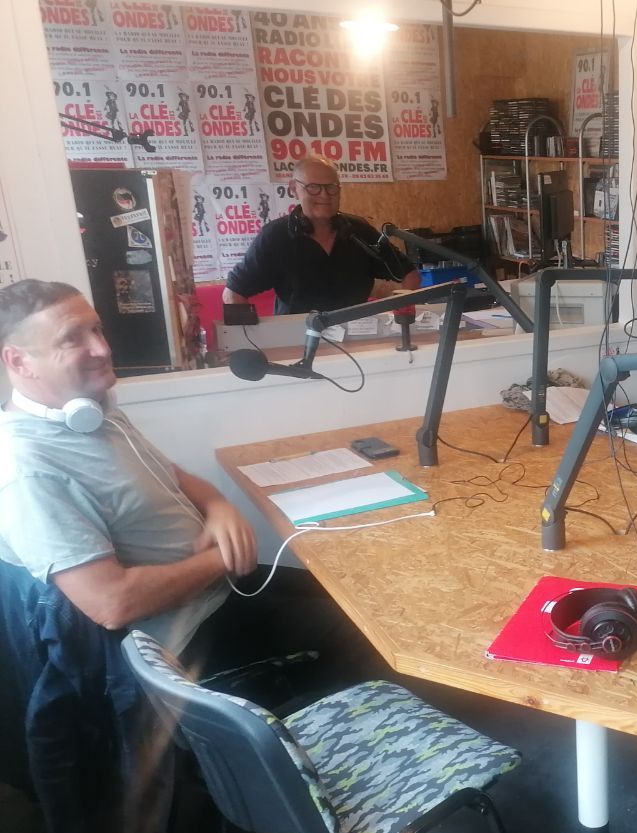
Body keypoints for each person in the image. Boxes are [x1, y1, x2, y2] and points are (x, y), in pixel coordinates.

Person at [0, 279, 375, 677]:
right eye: (72, 338)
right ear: (19, 362)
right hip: (193, 637)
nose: (103, 349)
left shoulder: (88, 410)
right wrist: (222, 558)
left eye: (97, 329)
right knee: (368, 635)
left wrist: (217, 505)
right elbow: (112, 603)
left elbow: (170, 475)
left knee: (355, 595)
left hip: (222, 589)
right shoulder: (27, 471)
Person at [222, 155, 422, 316]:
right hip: (297, 340)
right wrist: (258, 339)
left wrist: (399, 315)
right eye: (313, 187)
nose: (324, 195)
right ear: (294, 189)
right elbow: (233, 293)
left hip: (356, 337)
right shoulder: (274, 236)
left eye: (331, 187)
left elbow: (410, 275)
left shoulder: (358, 230)